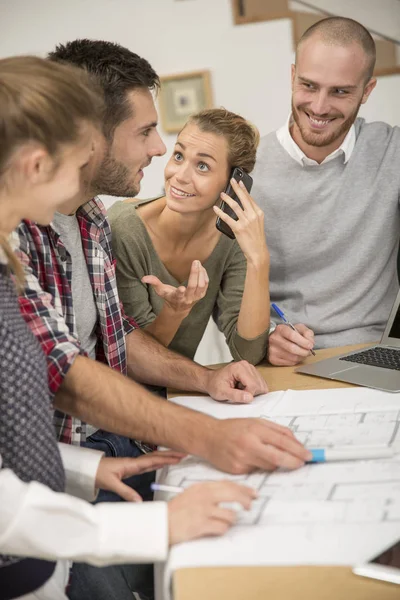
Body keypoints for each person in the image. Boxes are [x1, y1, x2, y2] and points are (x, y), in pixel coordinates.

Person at [12, 40, 310, 599]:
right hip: (46, 494)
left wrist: (204, 379)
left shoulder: (90, 218)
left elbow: (117, 337)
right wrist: (209, 433)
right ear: (88, 133)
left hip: (93, 452)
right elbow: (64, 372)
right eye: (147, 132)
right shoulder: (24, 233)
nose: (159, 150)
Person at [252, 16, 400, 367]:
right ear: (292, 77)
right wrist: (264, 337)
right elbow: (226, 290)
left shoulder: (392, 150)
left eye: (340, 91)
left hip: (379, 355)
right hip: (284, 361)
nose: (318, 107)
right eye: (308, 85)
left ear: (367, 91)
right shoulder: (246, 167)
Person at [109, 108, 270, 364]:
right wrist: (174, 312)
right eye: (179, 155)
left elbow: (248, 353)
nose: (180, 176)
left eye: (202, 166)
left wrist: (259, 259)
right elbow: (136, 361)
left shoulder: (232, 240)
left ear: (233, 184)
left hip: (183, 390)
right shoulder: (124, 230)